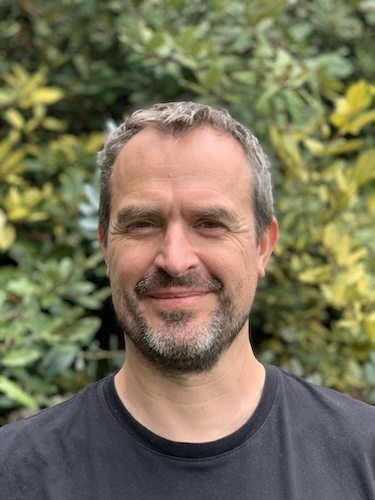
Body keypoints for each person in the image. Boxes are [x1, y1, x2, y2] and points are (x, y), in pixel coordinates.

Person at [0, 101, 374, 500]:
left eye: (210, 224)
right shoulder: (14, 472)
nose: (175, 261)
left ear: (263, 247)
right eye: (142, 224)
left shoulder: (365, 455)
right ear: (106, 246)